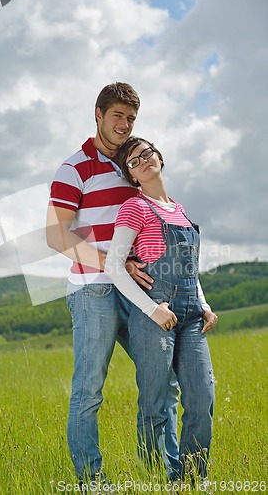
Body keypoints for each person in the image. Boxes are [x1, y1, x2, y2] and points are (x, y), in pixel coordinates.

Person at [46, 83, 179, 486]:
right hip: (94, 291)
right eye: (117, 116)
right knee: (89, 390)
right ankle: (91, 480)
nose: (124, 125)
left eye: (131, 118)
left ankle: (163, 472)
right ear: (99, 115)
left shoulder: (131, 168)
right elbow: (56, 236)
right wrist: (112, 263)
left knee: (162, 381)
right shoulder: (74, 169)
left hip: (140, 292)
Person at [105, 136, 216, 480]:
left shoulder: (180, 209)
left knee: (201, 400)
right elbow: (114, 266)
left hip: (191, 317)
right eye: (133, 162)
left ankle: (192, 480)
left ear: (159, 157)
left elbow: (188, 268)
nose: (142, 161)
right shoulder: (134, 208)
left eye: (146, 154)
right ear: (132, 177)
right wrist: (152, 310)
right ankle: (155, 479)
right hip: (155, 316)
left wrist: (204, 304)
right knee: (154, 404)